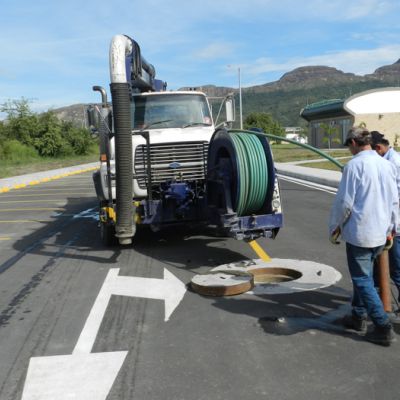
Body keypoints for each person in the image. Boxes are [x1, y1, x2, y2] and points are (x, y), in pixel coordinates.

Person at [329, 127, 399, 346]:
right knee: (366, 277)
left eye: (348, 146)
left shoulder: (354, 166)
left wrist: (334, 227)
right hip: (382, 232)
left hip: (361, 233)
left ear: (353, 142)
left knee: (362, 279)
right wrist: (393, 227)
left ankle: (382, 326)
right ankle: (358, 317)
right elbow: (394, 200)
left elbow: (344, 203)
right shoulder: (387, 165)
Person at [370, 131, 400, 310]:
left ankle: (384, 306)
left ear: (379, 148)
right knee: (380, 267)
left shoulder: (392, 162)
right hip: (389, 223)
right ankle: (380, 301)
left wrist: (391, 226)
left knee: (396, 267)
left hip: (395, 225)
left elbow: (394, 198)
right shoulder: (389, 159)